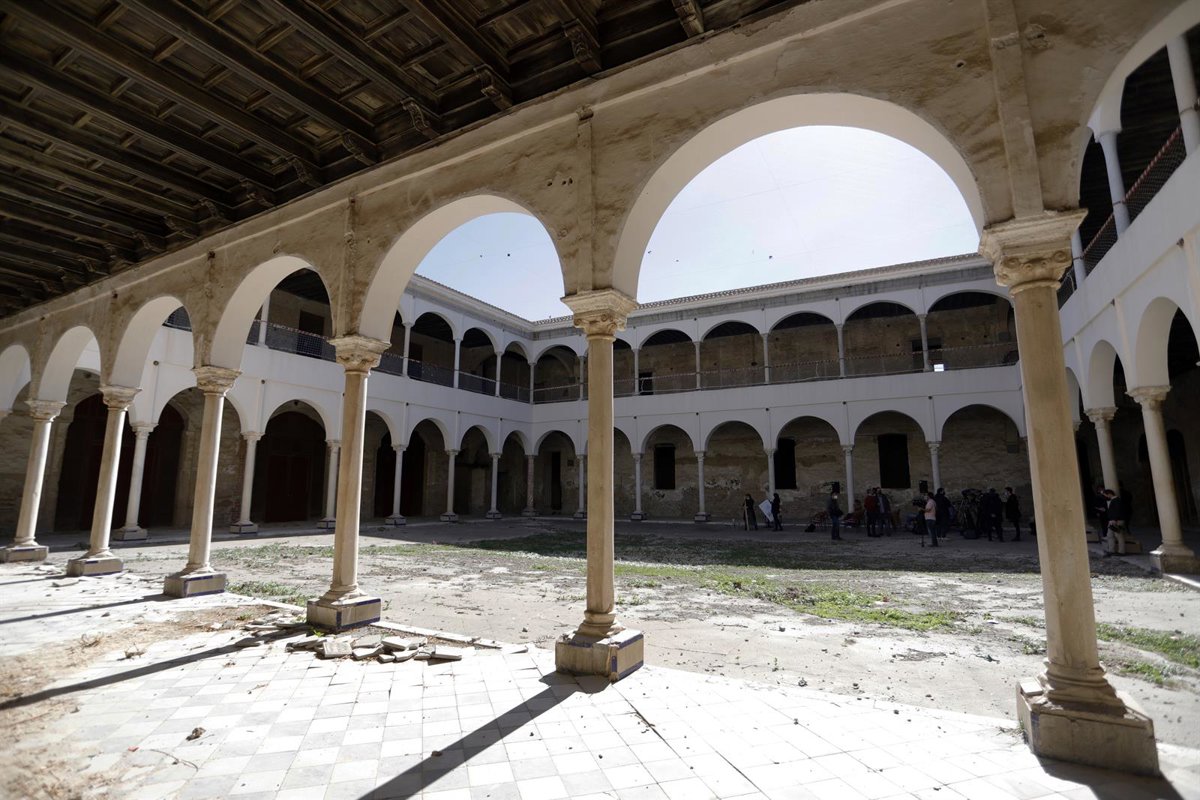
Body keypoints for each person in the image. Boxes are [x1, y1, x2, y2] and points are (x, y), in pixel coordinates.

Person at [1103, 489, 1128, 556]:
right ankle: (1111, 550)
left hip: (1117, 521)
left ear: (1109, 494)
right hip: (1112, 521)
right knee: (1110, 535)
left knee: (1119, 536)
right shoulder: (1113, 500)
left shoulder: (1117, 500)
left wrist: (1114, 519)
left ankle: (1121, 551)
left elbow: (1118, 511)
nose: (1105, 497)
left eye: (1105, 495)